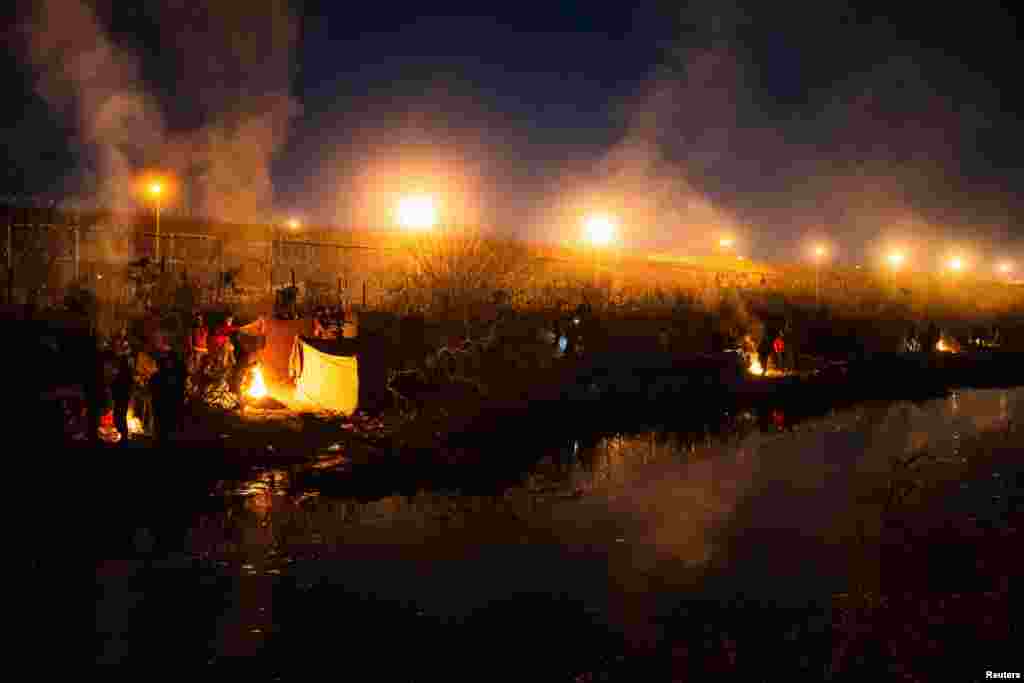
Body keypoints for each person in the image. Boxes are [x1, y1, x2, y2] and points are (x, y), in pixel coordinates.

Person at [150, 341, 187, 444]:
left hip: (169, 407)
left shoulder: (173, 372)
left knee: (166, 430)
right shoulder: (177, 372)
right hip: (167, 407)